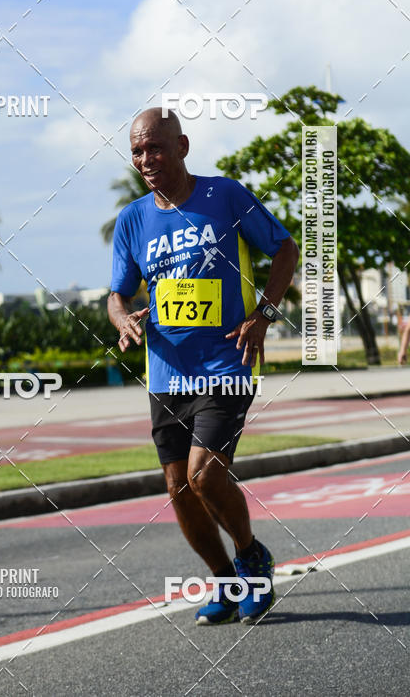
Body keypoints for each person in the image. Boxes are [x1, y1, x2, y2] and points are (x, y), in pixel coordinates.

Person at [107, 108, 299, 625]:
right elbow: (117, 294)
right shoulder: (133, 219)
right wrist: (124, 320)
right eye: (137, 151)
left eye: (156, 147)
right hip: (167, 372)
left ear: (183, 146)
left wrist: (263, 314)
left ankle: (251, 555)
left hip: (226, 363)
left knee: (204, 474)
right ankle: (226, 581)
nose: (146, 159)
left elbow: (285, 248)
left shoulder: (226, 196)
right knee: (177, 488)